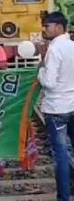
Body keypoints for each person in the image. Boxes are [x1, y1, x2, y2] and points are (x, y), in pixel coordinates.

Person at [38, 12, 74, 201]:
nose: (43, 29)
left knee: (60, 156)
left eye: (47, 26)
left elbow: (49, 82)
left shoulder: (54, 49)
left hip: (57, 108)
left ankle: (64, 197)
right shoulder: (72, 46)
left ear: (59, 27)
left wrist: (41, 70)